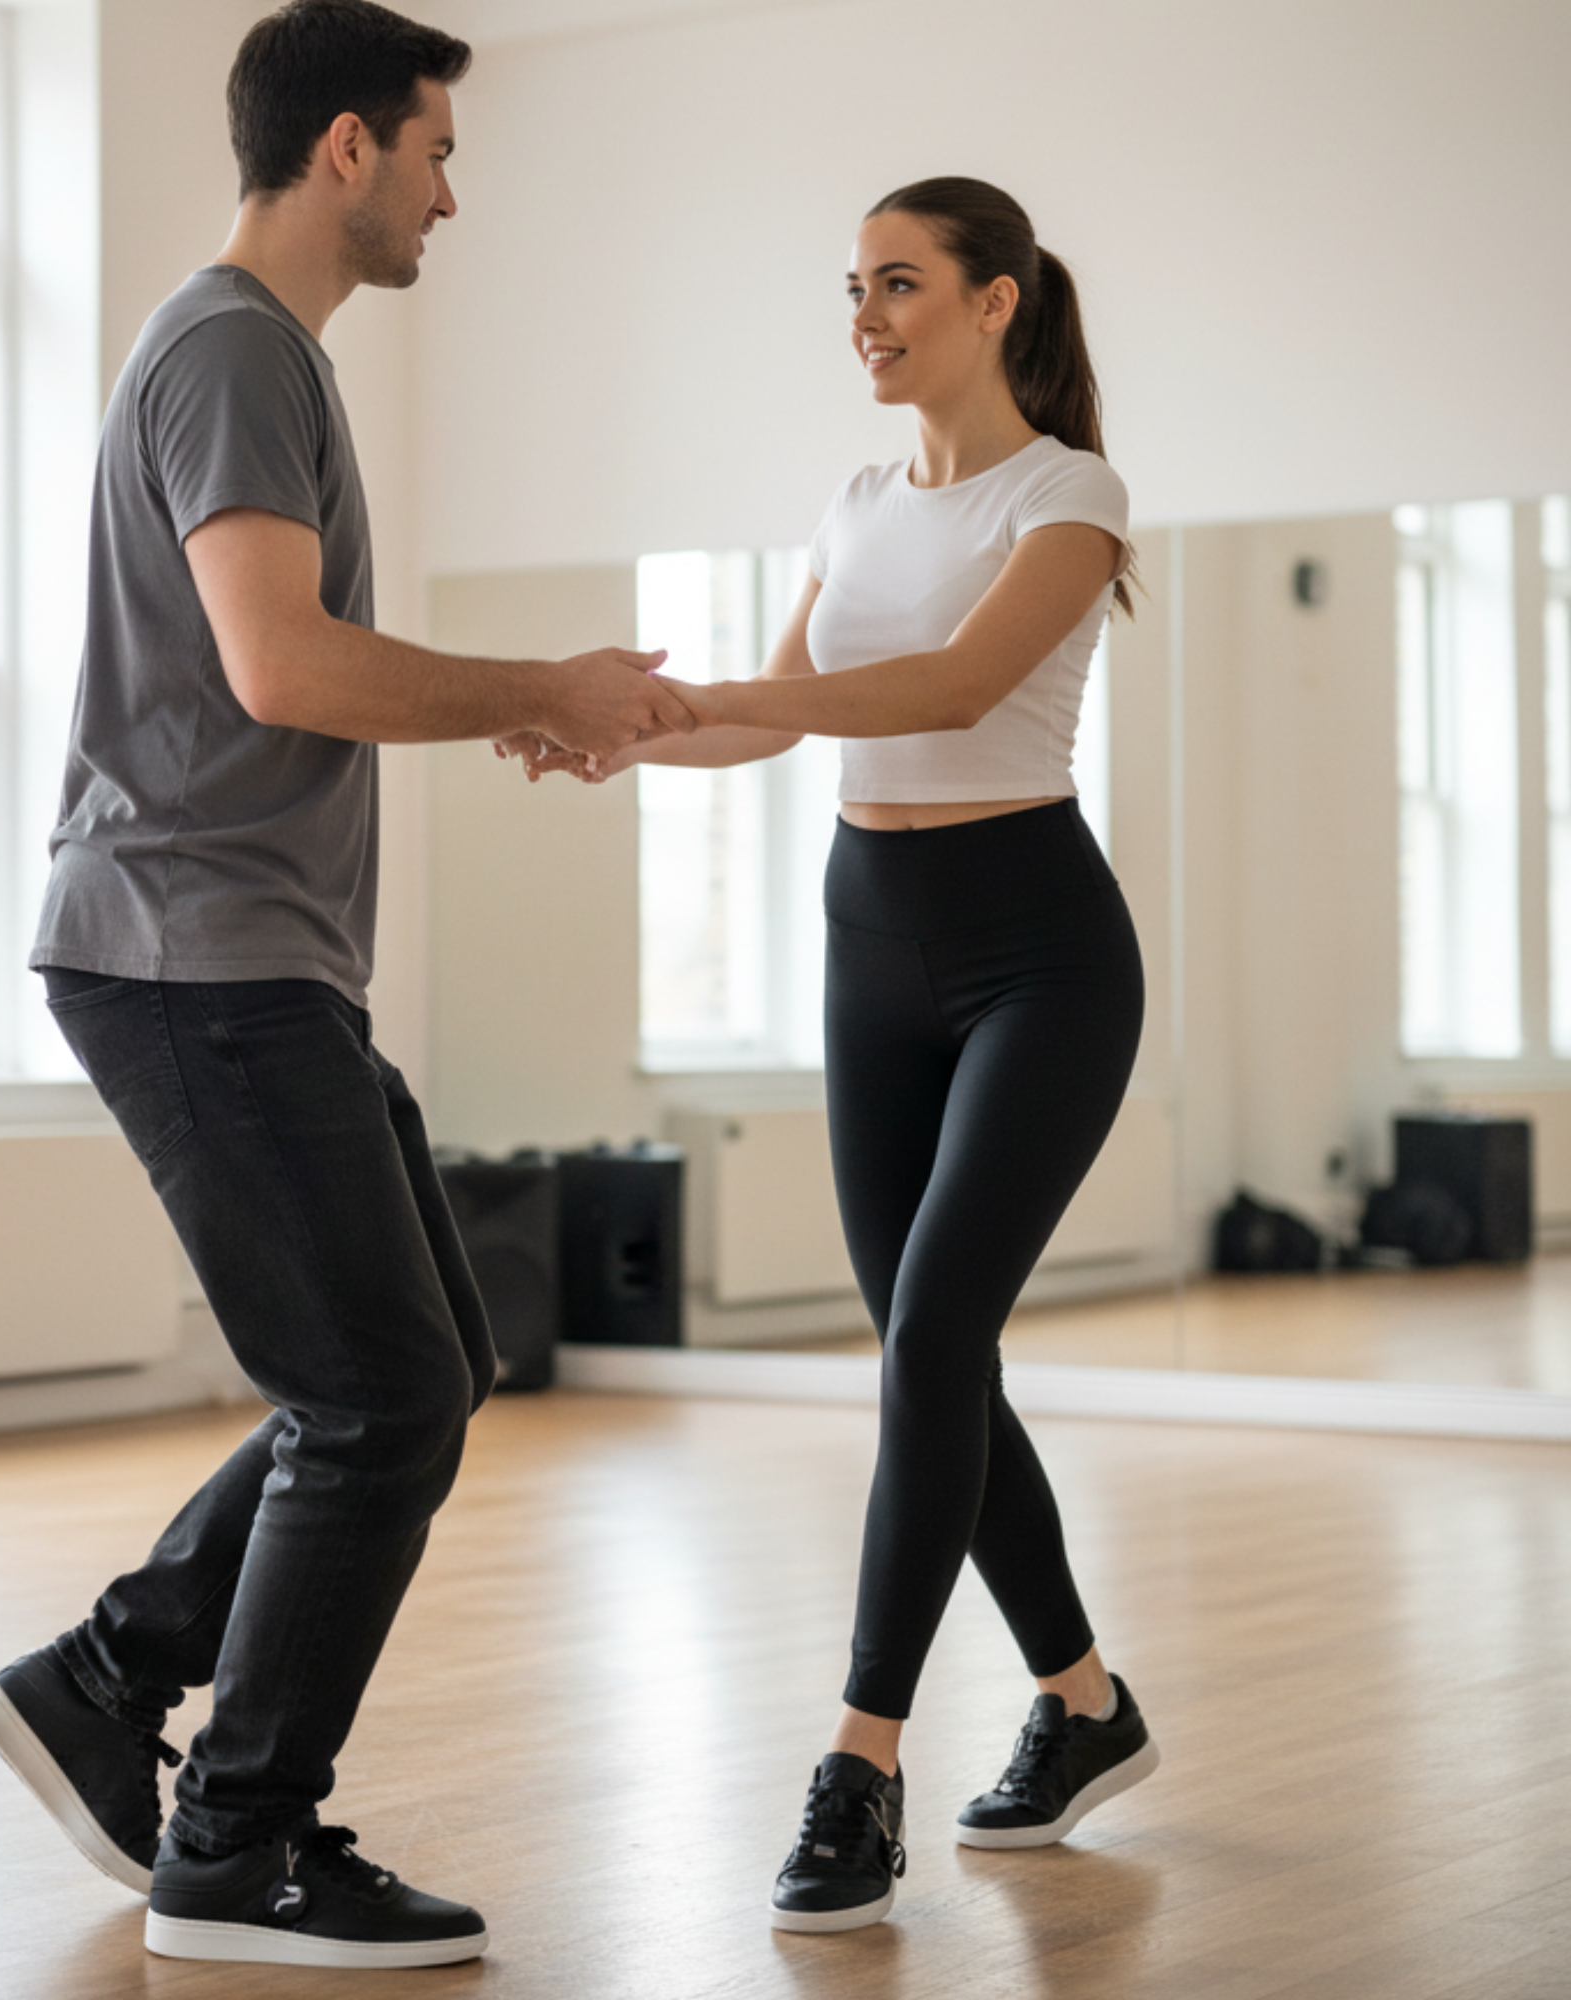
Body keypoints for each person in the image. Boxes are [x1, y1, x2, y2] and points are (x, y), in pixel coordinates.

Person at [0, 0, 692, 1972]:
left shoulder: (257, 354)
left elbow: (280, 670)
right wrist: (541, 687)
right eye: (438, 152)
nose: (453, 196)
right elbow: (280, 661)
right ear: (348, 145)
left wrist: (512, 703)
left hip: (246, 951)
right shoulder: (230, 349)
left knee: (422, 1363)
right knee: (374, 1394)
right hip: (191, 950)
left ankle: (109, 1684)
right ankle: (236, 1845)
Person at [514, 175, 1159, 1933]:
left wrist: (715, 694)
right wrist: (617, 733)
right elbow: (779, 720)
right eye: (853, 288)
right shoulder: (858, 502)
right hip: (869, 938)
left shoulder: (1069, 496)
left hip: (1040, 952)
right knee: (929, 1353)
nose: (865, 316)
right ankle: (1086, 1705)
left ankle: (859, 1762)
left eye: (899, 283)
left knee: (935, 1334)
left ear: (997, 301)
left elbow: (950, 690)